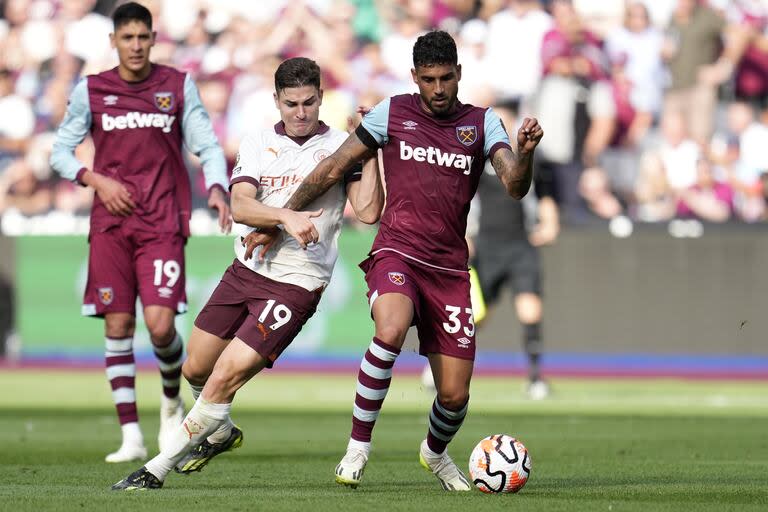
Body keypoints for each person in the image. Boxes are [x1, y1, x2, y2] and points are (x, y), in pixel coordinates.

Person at [250, 31, 543, 491]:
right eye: (429, 79)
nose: (439, 88)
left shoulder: (482, 123)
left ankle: (435, 452)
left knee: (454, 395)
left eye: (447, 78)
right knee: (389, 328)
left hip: (448, 269)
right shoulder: (393, 112)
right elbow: (331, 168)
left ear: (459, 74)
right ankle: (358, 447)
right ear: (415, 78)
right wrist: (280, 217)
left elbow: (514, 184)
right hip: (397, 251)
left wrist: (524, 155)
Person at [111, 56, 384, 490]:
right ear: (276, 100)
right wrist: (285, 218)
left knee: (224, 377)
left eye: (309, 103)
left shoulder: (340, 146)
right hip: (246, 268)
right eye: (291, 103)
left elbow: (368, 211)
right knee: (195, 370)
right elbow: (240, 205)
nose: (300, 112)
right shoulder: (258, 141)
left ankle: (155, 470)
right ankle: (219, 430)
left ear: (320, 99)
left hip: (297, 282)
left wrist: (368, 149)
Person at [49, 2, 231, 463]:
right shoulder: (92, 90)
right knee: (117, 323)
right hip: (110, 224)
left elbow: (206, 144)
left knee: (160, 326)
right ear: (113, 41)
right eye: (126, 38)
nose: (134, 46)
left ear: (153, 39)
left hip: (162, 223)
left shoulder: (175, 86)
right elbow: (61, 153)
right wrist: (95, 180)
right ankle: (130, 435)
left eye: (142, 38)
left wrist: (216, 187)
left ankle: (170, 401)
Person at [423, 103, 559, 401]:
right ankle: (440, 368)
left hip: (521, 246)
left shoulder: (527, 158)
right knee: (473, 317)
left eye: (503, 120)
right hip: (486, 247)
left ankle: (535, 379)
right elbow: (462, 200)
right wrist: (465, 237)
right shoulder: (476, 159)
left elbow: (545, 193)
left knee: (530, 311)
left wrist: (549, 223)